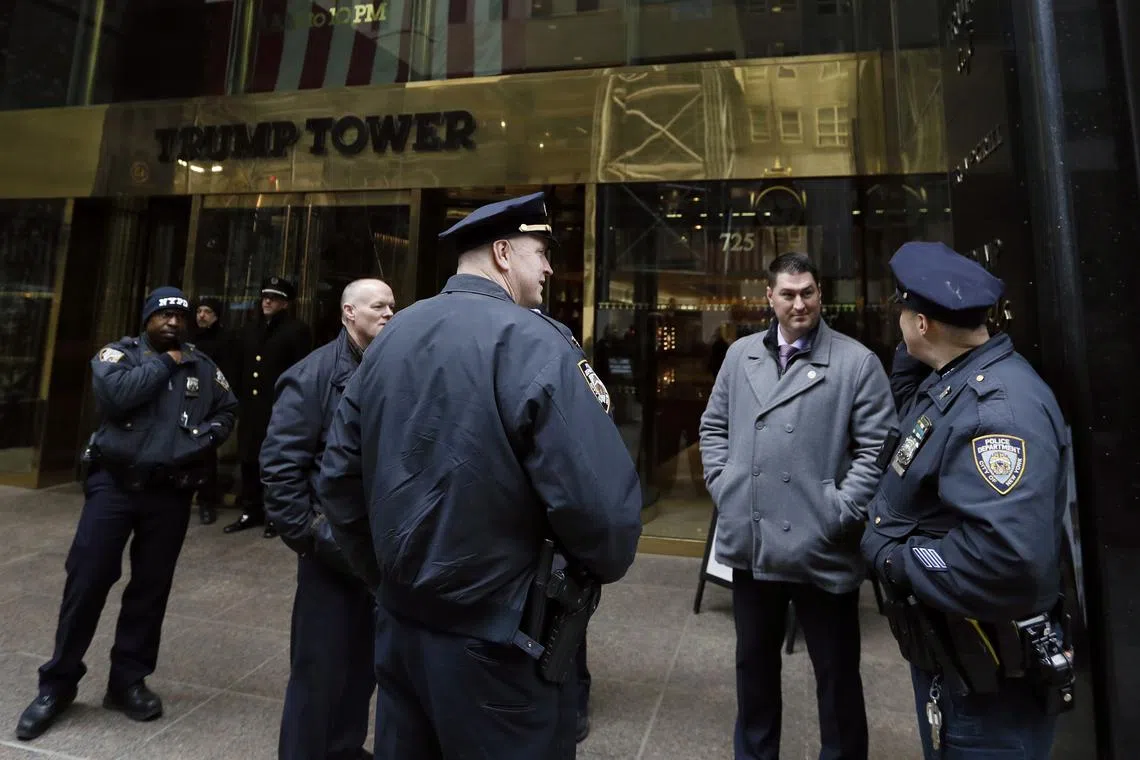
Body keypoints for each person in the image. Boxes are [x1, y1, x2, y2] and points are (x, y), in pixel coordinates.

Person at [317, 191, 643, 760]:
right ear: (501, 253)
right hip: (498, 643)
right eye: (539, 251)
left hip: (401, 632)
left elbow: (340, 483)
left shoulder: (391, 337)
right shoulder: (535, 341)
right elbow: (605, 513)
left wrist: (387, 581)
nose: (547, 266)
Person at [861, 242, 1072, 759]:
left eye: (905, 311)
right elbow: (912, 408)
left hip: (989, 686)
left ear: (924, 324)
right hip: (956, 663)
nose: (900, 320)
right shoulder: (955, 379)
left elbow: (1002, 556)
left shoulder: (994, 414)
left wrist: (895, 559)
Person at [15, 287, 238, 741]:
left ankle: (127, 682)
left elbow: (228, 408)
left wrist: (202, 440)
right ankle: (56, 685)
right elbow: (116, 398)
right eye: (163, 317)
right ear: (146, 321)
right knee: (88, 580)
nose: (173, 324)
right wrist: (165, 363)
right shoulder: (119, 354)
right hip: (113, 487)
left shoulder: (203, 365)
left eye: (180, 317)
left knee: (150, 589)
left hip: (170, 494)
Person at [698, 252, 896, 760]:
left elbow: (877, 450)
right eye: (787, 294)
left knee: (836, 678)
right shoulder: (740, 355)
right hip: (754, 542)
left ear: (820, 293)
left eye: (807, 292)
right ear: (768, 298)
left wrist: (839, 509)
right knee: (754, 672)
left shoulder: (856, 362)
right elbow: (713, 427)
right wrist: (727, 486)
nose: (799, 303)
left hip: (822, 545)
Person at [261, 278, 395, 760]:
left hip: (378, 553)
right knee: (318, 672)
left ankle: (343, 750)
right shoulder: (312, 374)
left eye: (393, 306)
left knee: (361, 668)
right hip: (331, 555)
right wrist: (315, 537)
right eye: (378, 306)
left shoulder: (391, 371)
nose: (388, 314)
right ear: (348, 313)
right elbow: (280, 470)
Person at [225, 276, 311, 538]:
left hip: (279, 409)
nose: (267, 301)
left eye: (273, 298)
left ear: (285, 303)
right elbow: (239, 367)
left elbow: (302, 370)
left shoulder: (297, 331)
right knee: (249, 460)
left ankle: (275, 515)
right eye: (264, 296)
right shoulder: (249, 329)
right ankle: (251, 510)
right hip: (251, 409)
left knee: (275, 464)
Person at [190, 296, 238, 525]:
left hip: (208, 402)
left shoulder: (225, 340)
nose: (202, 315)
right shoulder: (188, 339)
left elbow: (226, 374)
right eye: (199, 311)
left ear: (216, 315)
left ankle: (207, 501)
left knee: (206, 453)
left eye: (207, 311)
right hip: (185, 401)